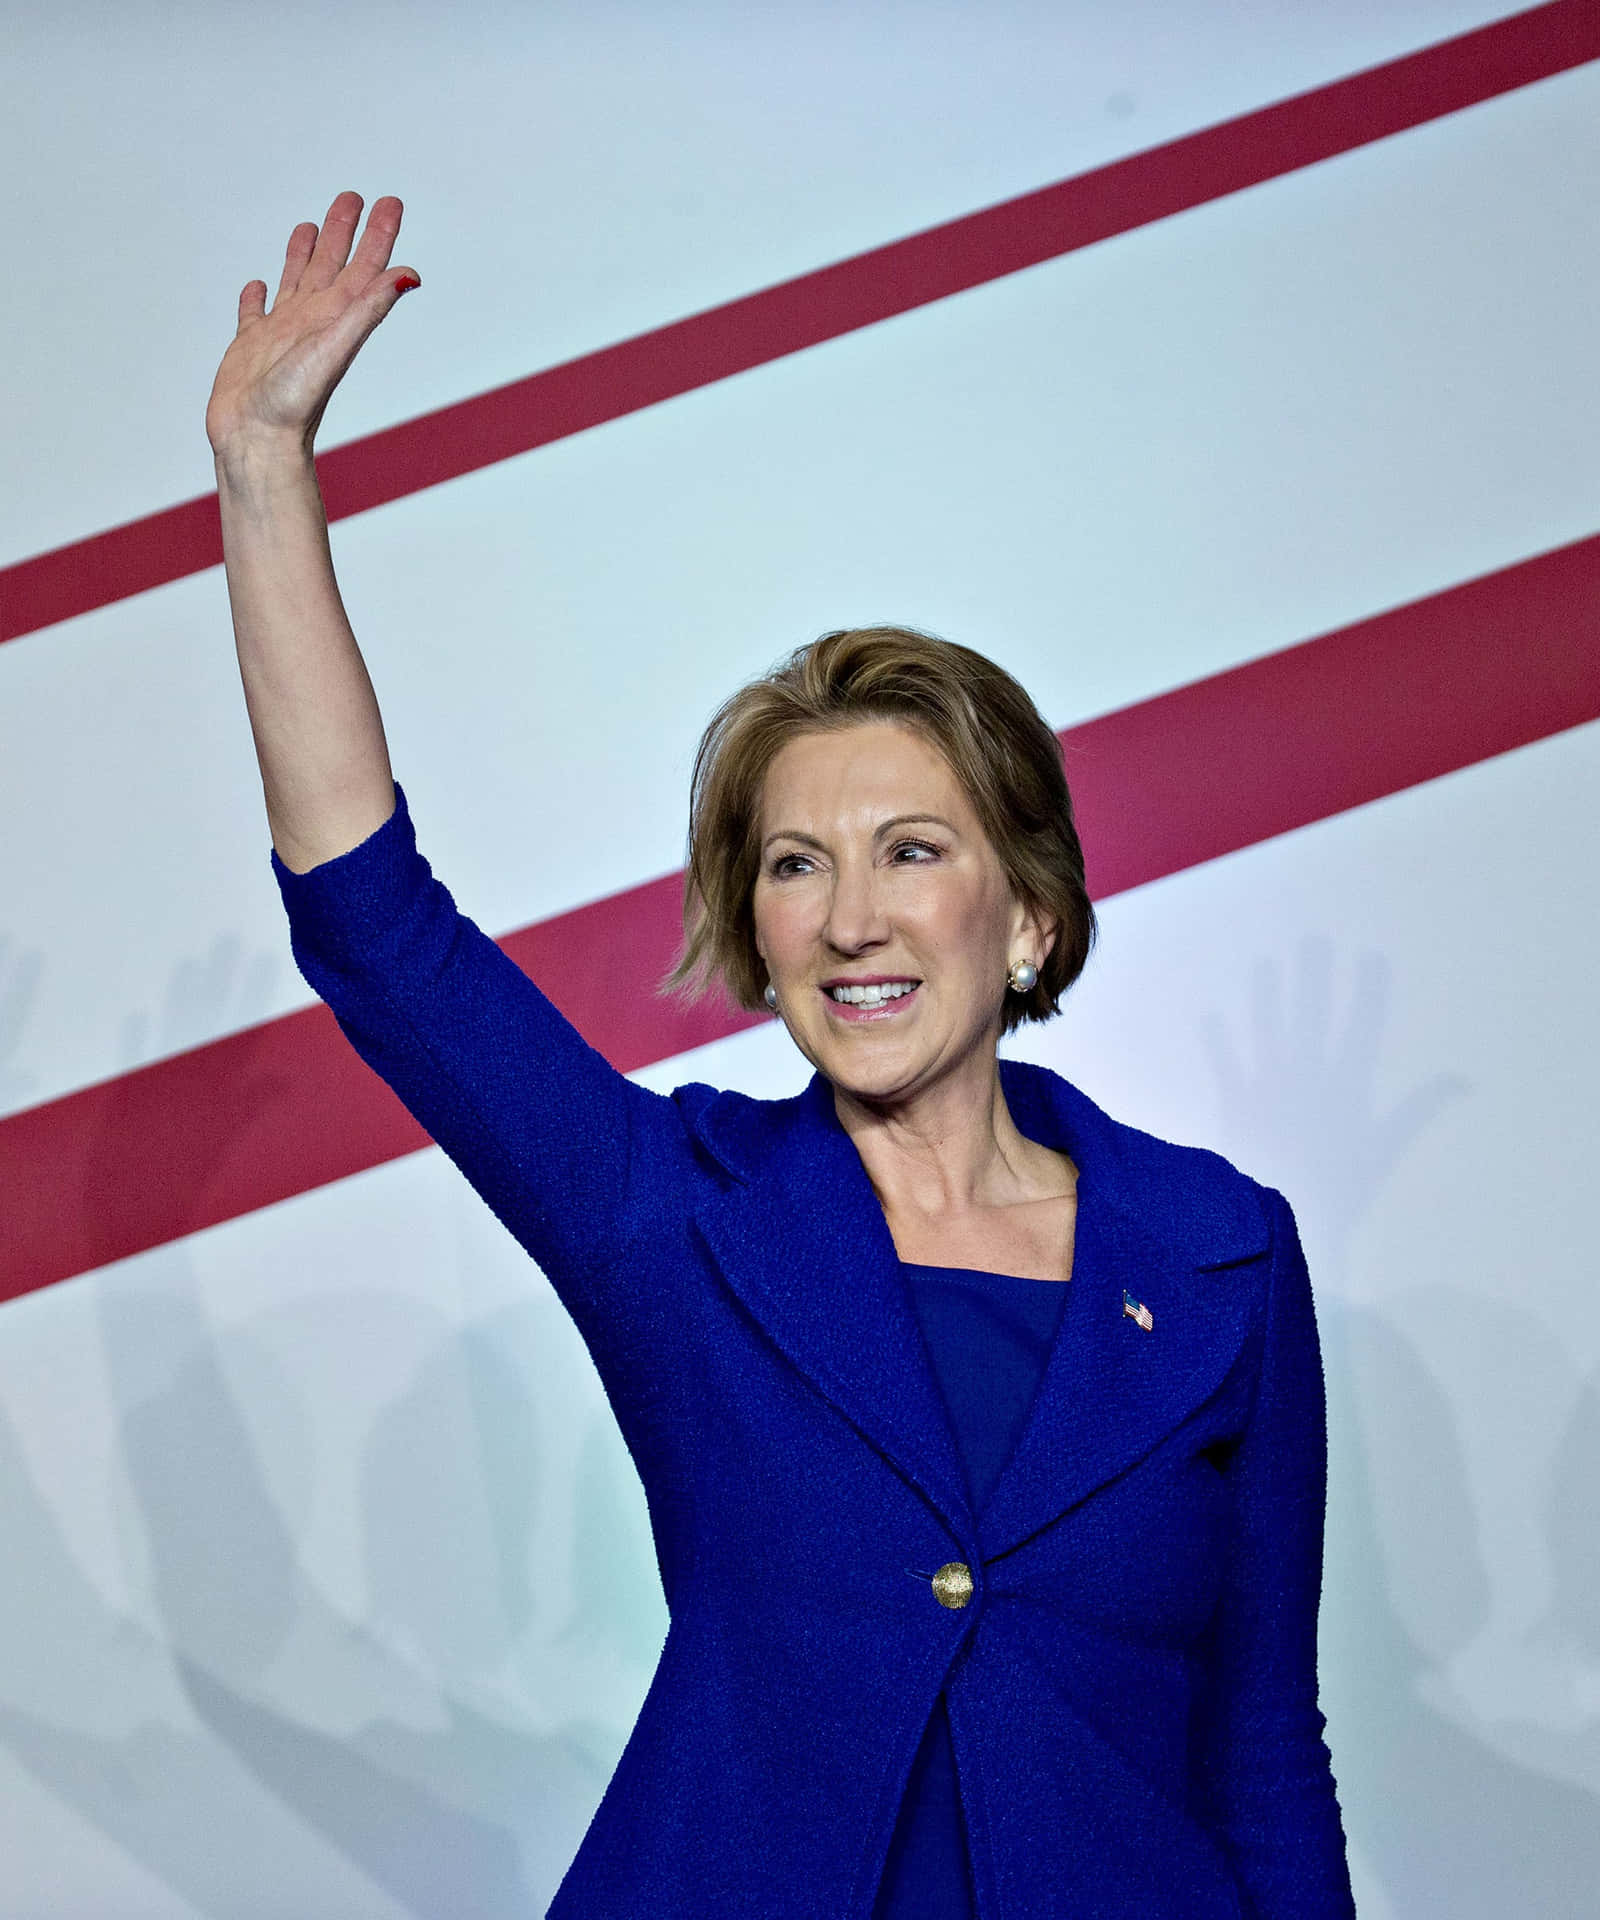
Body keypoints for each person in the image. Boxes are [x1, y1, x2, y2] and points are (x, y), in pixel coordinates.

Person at [207, 190, 1358, 1919]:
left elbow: (1262, 1742)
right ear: (756, 932)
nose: (849, 918)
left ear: (1029, 912)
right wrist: (263, 471)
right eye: (794, 865)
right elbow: (379, 933)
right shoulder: (676, 1224)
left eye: (912, 850)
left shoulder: (1222, 1258)